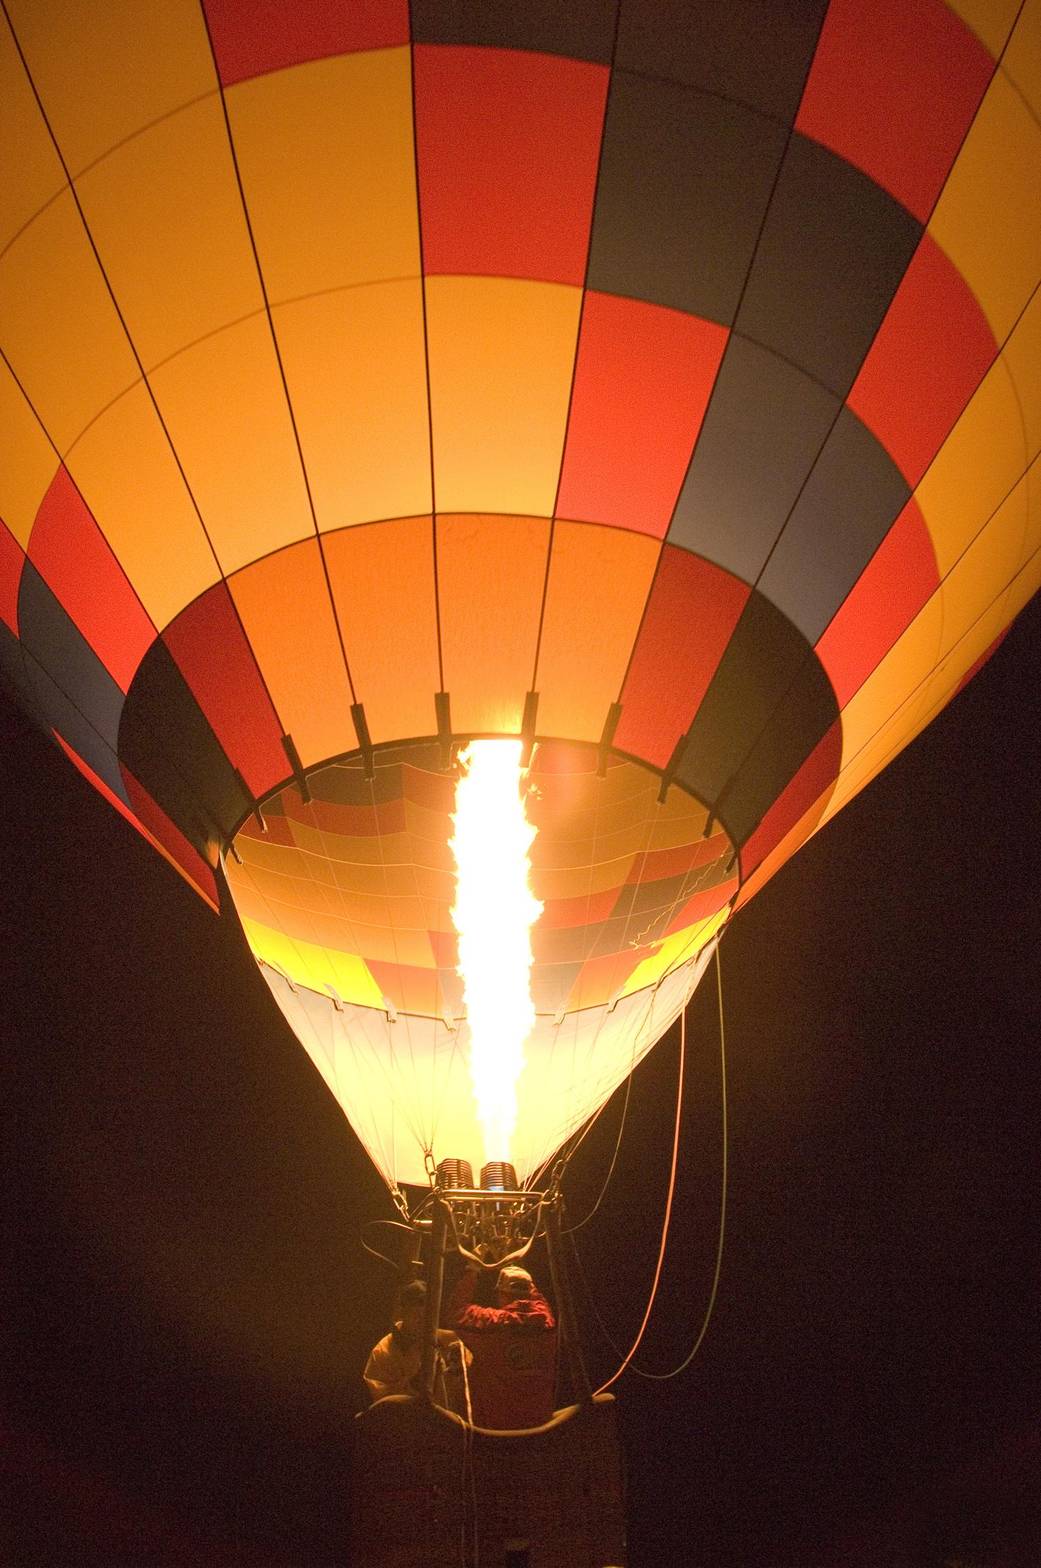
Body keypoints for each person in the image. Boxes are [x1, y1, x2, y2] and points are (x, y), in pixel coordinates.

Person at [447, 1263, 557, 1429]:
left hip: (495, 1429)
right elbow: (538, 1301)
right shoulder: (546, 1322)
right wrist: (515, 1265)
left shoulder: (492, 1323)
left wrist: (473, 1269)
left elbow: (456, 1310)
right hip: (539, 1427)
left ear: (501, 1295)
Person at [363, 1279, 470, 1409]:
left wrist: (460, 1366)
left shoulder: (447, 1340)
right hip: (407, 1426)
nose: (423, 1320)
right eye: (417, 1314)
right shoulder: (383, 1351)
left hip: (443, 1423)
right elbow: (379, 1401)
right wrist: (412, 1384)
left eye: (428, 1315)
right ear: (402, 1311)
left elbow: (469, 1375)